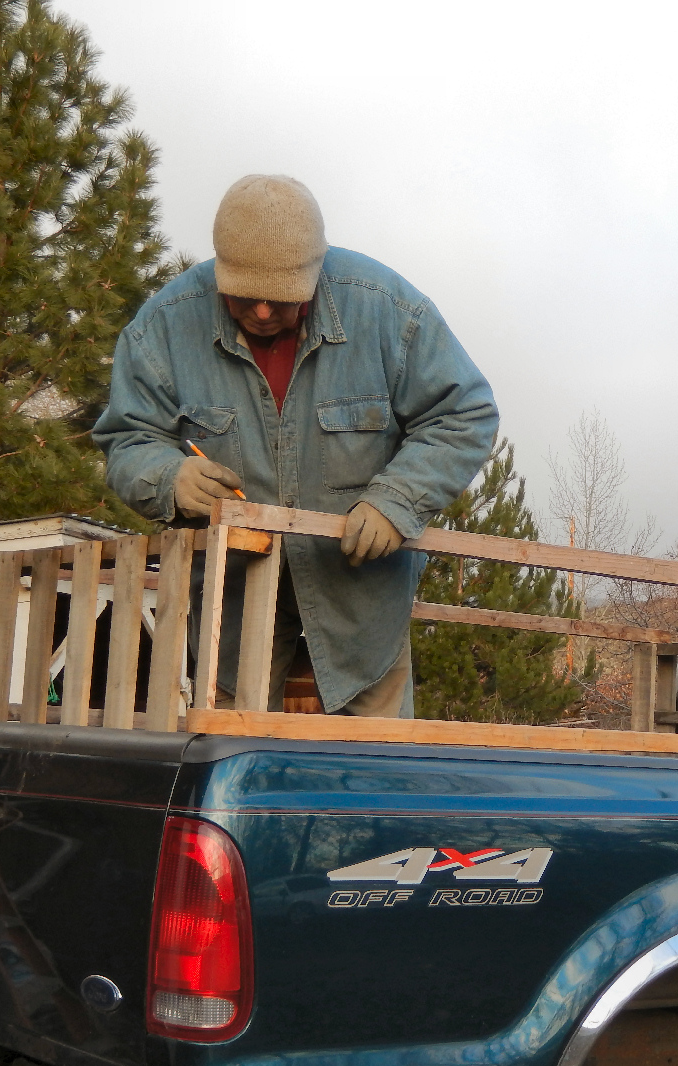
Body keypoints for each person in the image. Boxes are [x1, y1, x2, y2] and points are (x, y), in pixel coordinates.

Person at [93, 175, 498, 716]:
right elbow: (128, 437)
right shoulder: (163, 327)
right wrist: (168, 478)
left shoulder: (388, 311)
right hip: (232, 603)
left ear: (316, 270)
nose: (262, 312)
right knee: (235, 762)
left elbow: (463, 414)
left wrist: (398, 499)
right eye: (244, 295)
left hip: (362, 601)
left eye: (280, 298)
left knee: (371, 771)